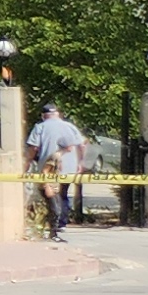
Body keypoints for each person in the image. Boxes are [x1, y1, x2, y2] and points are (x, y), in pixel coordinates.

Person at [28, 101, 89, 240]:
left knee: (51, 198)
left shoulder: (40, 127)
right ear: (57, 114)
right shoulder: (70, 126)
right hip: (69, 168)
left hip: (48, 171)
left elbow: (33, 147)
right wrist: (80, 162)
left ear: (44, 115)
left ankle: (53, 225)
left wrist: (27, 162)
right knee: (63, 194)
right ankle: (61, 223)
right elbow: (82, 145)